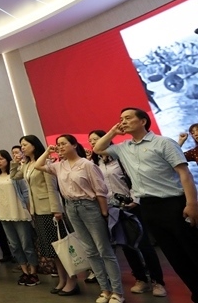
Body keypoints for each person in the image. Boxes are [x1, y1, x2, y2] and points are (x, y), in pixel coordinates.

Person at [94, 108, 198, 303]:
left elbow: (184, 173)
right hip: (148, 207)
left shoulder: (163, 142)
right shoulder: (123, 147)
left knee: (192, 249)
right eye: (121, 119)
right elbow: (98, 148)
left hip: (173, 203)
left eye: (128, 118)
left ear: (143, 121)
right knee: (173, 255)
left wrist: (192, 203)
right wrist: (114, 131)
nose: (123, 121)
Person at [35, 135, 124, 303]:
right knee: (89, 251)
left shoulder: (87, 164)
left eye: (63, 144)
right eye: (58, 144)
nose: (60, 147)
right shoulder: (59, 166)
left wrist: (104, 213)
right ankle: (105, 290)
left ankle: (117, 292)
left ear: (74, 145)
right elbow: (38, 165)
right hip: (71, 207)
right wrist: (47, 151)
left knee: (104, 249)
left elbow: (100, 191)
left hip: (89, 206)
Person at [87, 129, 166, 296]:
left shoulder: (120, 158)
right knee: (126, 245)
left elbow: (135, 178)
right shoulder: (95, 163)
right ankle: (140, 279)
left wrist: (135, 199)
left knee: (143, 244)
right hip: (113, 208)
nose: (92, 142)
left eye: (95, 139)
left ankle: (157, 282)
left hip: (132, 205)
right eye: (90, 140)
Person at [13, 135, 74, 293]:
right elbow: (14, 176)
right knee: (52, 249)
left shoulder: (45, 162)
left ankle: (72, 281)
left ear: (34, 145)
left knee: (61, 248)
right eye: (21, 145)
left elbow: (51, 188)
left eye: (25, 145)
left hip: (49, 210)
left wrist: (56, 209)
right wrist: (15, 161)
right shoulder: (27, 164)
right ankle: (62, 279)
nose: (22, 148)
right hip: (37, 211)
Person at [0, 150, 39, 286]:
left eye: (1, 158)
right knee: (14, 245)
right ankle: (24, 271)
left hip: (19, 212)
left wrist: (29, 210)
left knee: (26, 244)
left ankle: (33, 272)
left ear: (8, 160)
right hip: (4, 214)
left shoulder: (15, 173)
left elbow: (25, 192)